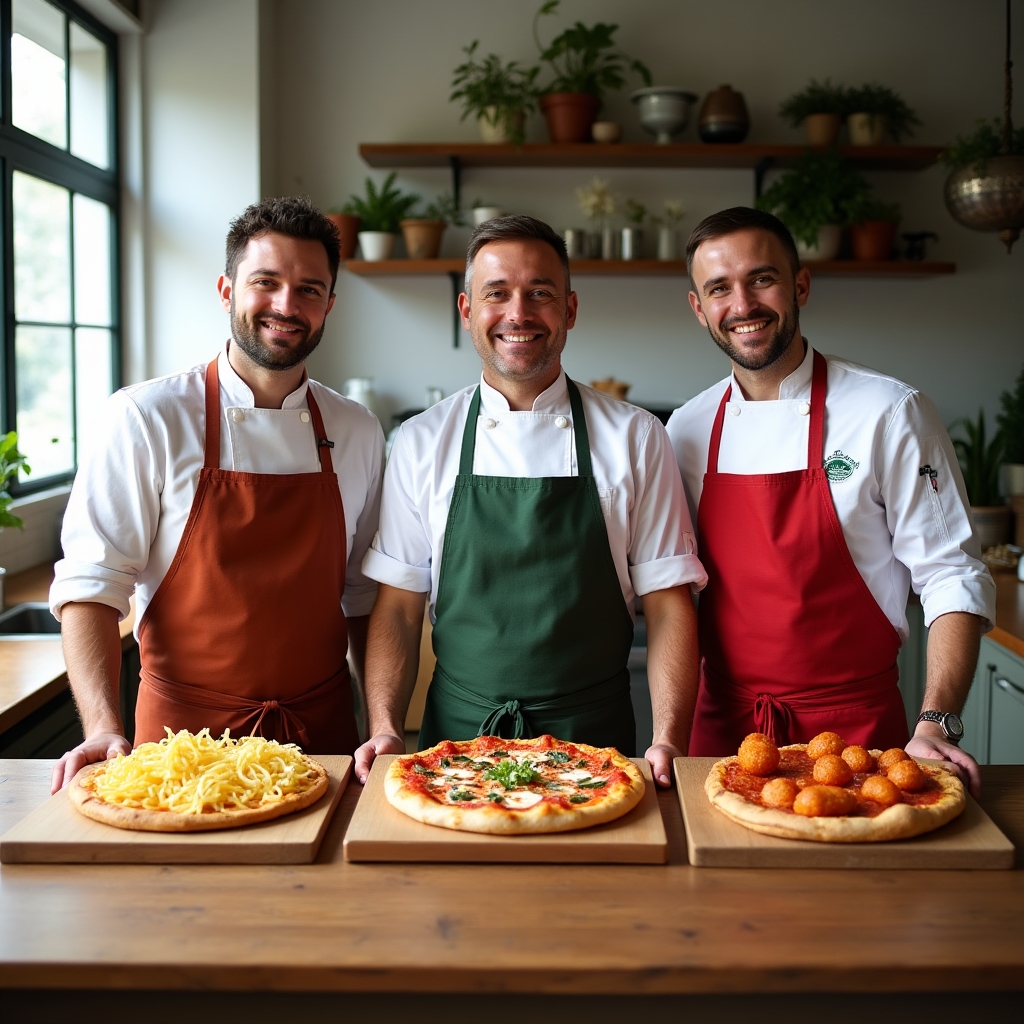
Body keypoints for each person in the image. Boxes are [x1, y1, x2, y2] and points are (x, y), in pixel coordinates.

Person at [354, 215, 706, 787]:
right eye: (498, 294)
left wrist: (669, 738)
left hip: (597, 744)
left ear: (568, 310)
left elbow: (669, 604)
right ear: (467, 310)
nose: (518, 314)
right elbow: (397, 604)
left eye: (539, 293)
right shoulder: (421, 440)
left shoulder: (637, 436)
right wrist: (386, 725)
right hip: (454, 747)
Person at [49, 196, 384, 792]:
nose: (287, 305)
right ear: (227, 290)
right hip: (180, 753)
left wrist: (381, 722)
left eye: (309, 289)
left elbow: (367, 596)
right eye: (266, 282)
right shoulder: (146, 417)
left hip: (324, 744)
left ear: (330, 304)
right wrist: (102, 725)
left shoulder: (355, 429)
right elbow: (91, 585)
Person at [666, 207, 995, 795]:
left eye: (762, 279)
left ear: (800, 285)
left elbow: (951, 573)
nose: (742, 305)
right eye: (719, 288)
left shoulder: (889, 412)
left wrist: (936, 722)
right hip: (721, 738)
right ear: (699, 309)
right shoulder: (684, 430)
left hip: (860, 740)